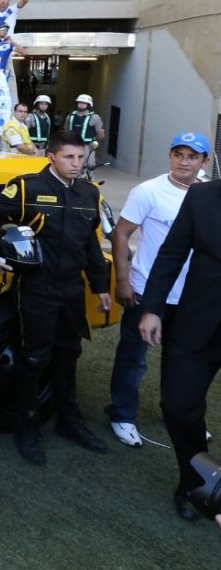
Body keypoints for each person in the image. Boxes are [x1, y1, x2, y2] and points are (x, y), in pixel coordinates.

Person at [0, 130, 112, 466]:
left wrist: (101, 285)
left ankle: (69, 420)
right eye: (68, 158)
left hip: (72, 288)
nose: (76, 164)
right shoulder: (27, 188)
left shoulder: (89, 194)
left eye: (80, 157)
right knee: (33, 358)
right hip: (37, 287)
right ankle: (26, 425)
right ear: (51, 157)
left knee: (69, 352)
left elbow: (90, 244)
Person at [106, 133, 210, 448]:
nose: (184, 161)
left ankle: (177, 414)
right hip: (147, 291)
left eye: (192, 156)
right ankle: (122, 415)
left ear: (204, 161)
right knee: (133, 357)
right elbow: (121, 235)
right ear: (169, 157)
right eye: (178, 154)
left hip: (191, 296)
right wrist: (123, 280)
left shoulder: (208, 195)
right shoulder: (148, 191)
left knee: (183, 361)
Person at [138, 152, 221, 522]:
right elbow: (171, 254)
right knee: (177, 405)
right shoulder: (202, 197)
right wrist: (152, 308)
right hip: (196, 324)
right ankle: (194, 482)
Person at [66, 94, 105, 165]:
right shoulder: (70, 116)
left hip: (87, 147)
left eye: (84, 103)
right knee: (72, 166)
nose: (81, 104)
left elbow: (101, 135)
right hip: (72, 146)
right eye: (79, 102)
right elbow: (65, 132)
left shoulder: (95, 117)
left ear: (89, 104)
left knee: (89, 166)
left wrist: (94, 143)